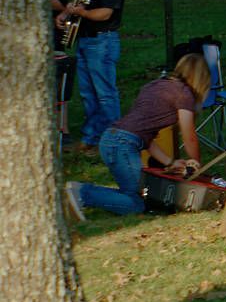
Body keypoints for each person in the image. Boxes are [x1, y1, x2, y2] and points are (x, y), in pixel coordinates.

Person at [65, 52, 211, 218]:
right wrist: (196, 164)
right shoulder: (184, 94)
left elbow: (146, 137)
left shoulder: (154, 85)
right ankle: (83, 193)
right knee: (137, 204)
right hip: (123, 144)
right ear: (201, 79)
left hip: (111, 139)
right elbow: (189, 136)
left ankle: (79, 192)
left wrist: (170, 162)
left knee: (131, 194)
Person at [52, 0, 126, 148]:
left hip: (102, 41)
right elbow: (83, 1)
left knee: (105, 94)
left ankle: (115, 140)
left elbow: (106, 12)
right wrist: (65, 13)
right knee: (88, 93)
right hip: (86, 40)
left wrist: (80, 14)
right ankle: (92, 137)